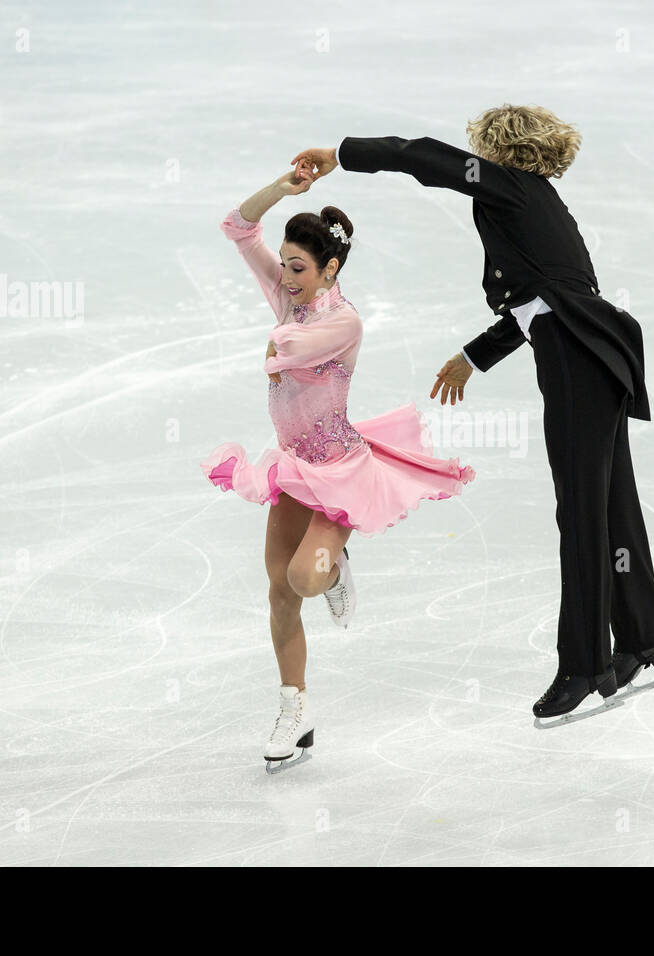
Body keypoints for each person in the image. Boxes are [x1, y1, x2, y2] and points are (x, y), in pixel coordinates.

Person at [293, 104, 654, 719]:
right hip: (597, 358)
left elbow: (420, 155)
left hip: (579, 364)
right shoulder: (542, 203)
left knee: (581, 513)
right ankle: (640, 637)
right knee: (609, 503)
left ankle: (584, 665)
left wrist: (342, 154)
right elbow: (546, 301)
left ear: (498, 147)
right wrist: (475, 356)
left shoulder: (507, 185)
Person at [201, 164, 476, 767]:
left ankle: (336, 561)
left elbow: (281, 354)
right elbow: (237, 225)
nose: (287, 279)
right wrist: (282, 189)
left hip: (340, 472)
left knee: (304, 578)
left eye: (299, 269)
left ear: (330, 269)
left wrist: (275, 342)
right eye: (284, 266)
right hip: (294, 466)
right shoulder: (289, 297)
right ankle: (294, 709)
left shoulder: (344, 322)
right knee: (279, 592)